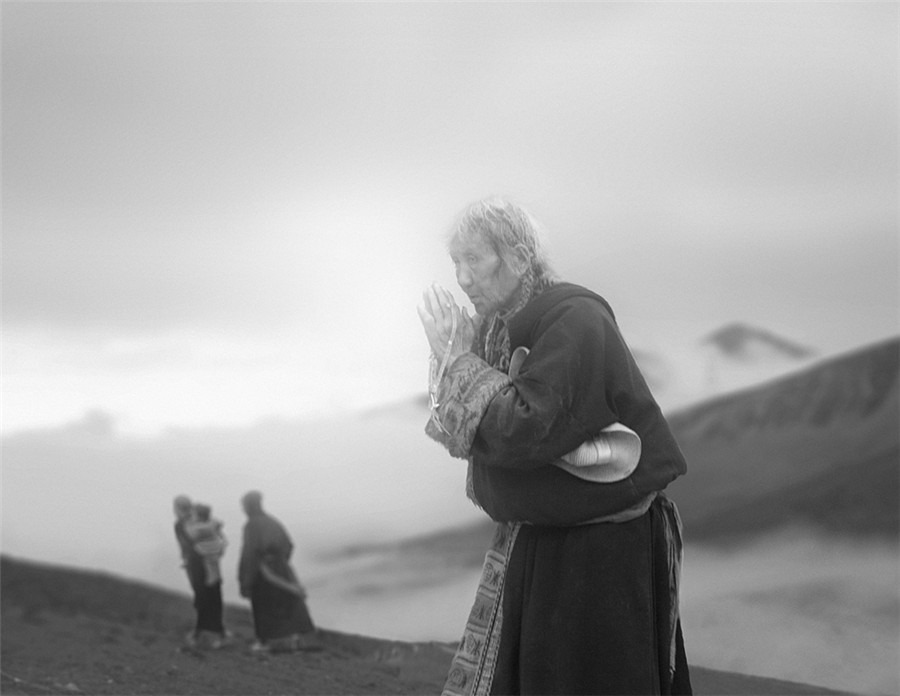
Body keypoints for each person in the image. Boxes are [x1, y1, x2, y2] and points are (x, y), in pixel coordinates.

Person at [417, 198, 693, 696]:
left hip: (601, 554)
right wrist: (452, 355)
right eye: (455, 262)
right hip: (547, 539)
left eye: (474, 259)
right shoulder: (503, 329)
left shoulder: (575, 320)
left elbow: (527, 429)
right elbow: (459, 433)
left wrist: (459, 362)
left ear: (519, 259)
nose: (461, 277)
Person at [238, 490, 319, 653]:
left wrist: (246, 578)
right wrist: (281, 563)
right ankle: (294, 639)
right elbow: (289, 545)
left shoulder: (251, 525)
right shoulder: (273, 522)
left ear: (248, 506)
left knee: (263, 607)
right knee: (286, 602)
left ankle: (264, 643)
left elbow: (250, 552)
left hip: (262, 571)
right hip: (281, 568)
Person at [172, 495, 229, 649]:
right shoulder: (204, 521)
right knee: (212, 597)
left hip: (198, 564)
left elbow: (186, 544)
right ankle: (214, 632)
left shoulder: (182, 524)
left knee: (204, 598)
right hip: (210, 562)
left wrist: (187, 559)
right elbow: (219, 537)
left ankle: (206, 633)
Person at [184, 503, 227, 586]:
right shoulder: (212, 523)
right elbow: (219, 524)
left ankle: (212, 579)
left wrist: (187, 524)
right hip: (216, 546)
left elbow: (192, 536)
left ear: (199, 516)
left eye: (193, 514)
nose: (192, 517)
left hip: (205, 549)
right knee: (214, 564)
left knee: (209, 565)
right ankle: (216, 577)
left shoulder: (198, 528)